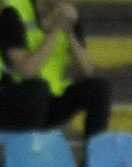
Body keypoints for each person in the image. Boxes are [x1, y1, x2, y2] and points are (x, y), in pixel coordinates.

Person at [0, 0, 110, 136]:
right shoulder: (12, 11)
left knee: (99, 88)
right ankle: (31, 147)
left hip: (47, 102)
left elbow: (86, 73)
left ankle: (95, 148)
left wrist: (69, 31)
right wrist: (56, 30)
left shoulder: (67, 16)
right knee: (37, 90)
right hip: (12, 99)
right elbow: (26, 71)